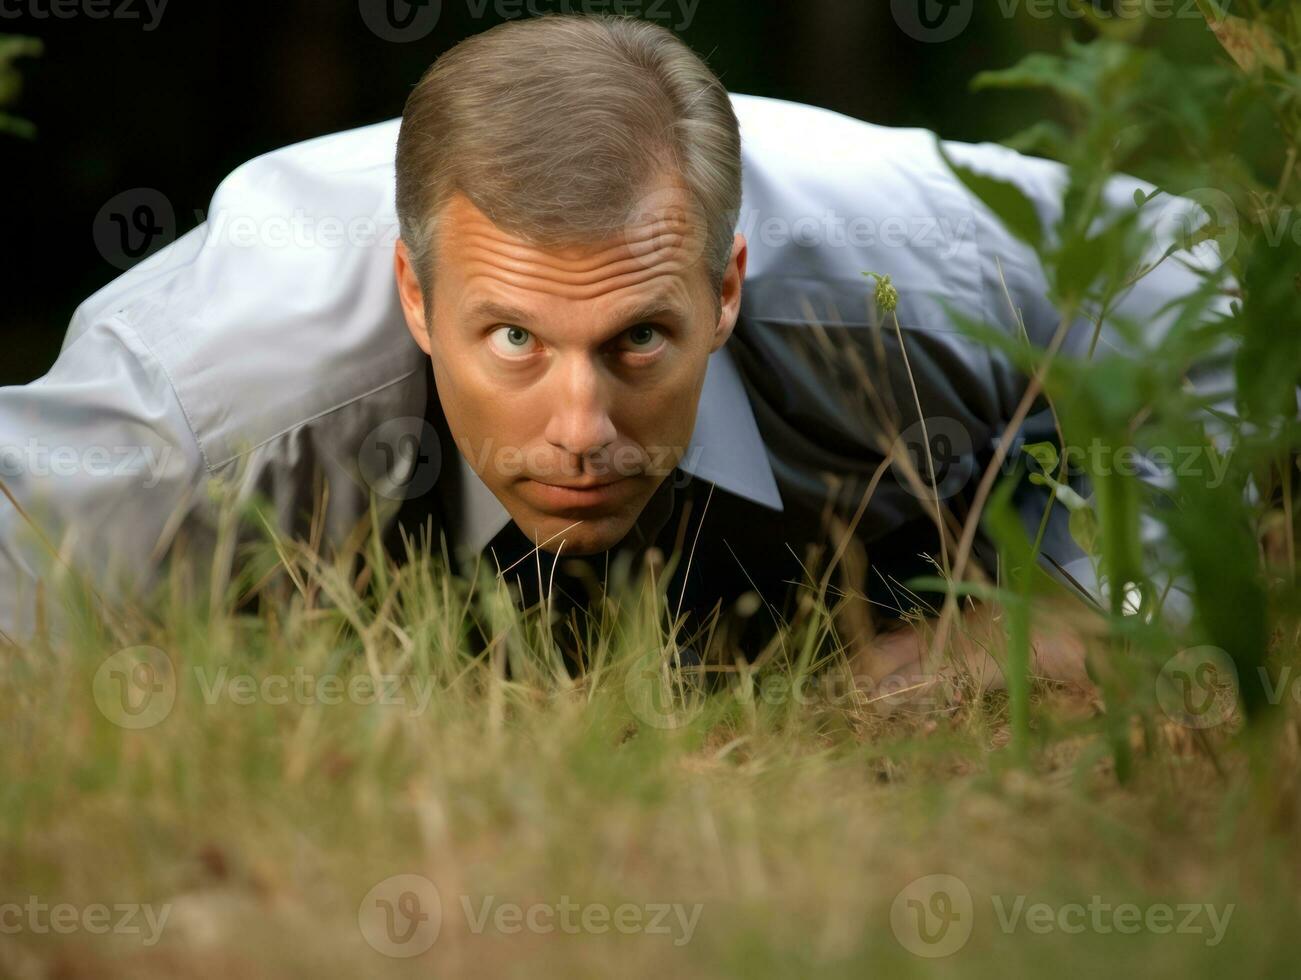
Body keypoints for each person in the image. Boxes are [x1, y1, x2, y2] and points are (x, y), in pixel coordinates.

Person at [0, 14, 1228, 699]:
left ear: (727, 284)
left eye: (638, 336)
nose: (582, 424)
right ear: (415, 296)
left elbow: (1193, 274)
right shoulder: (205, 402)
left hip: (902, 565)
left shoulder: (894, 263)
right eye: (515, 340)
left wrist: (1099, 608)